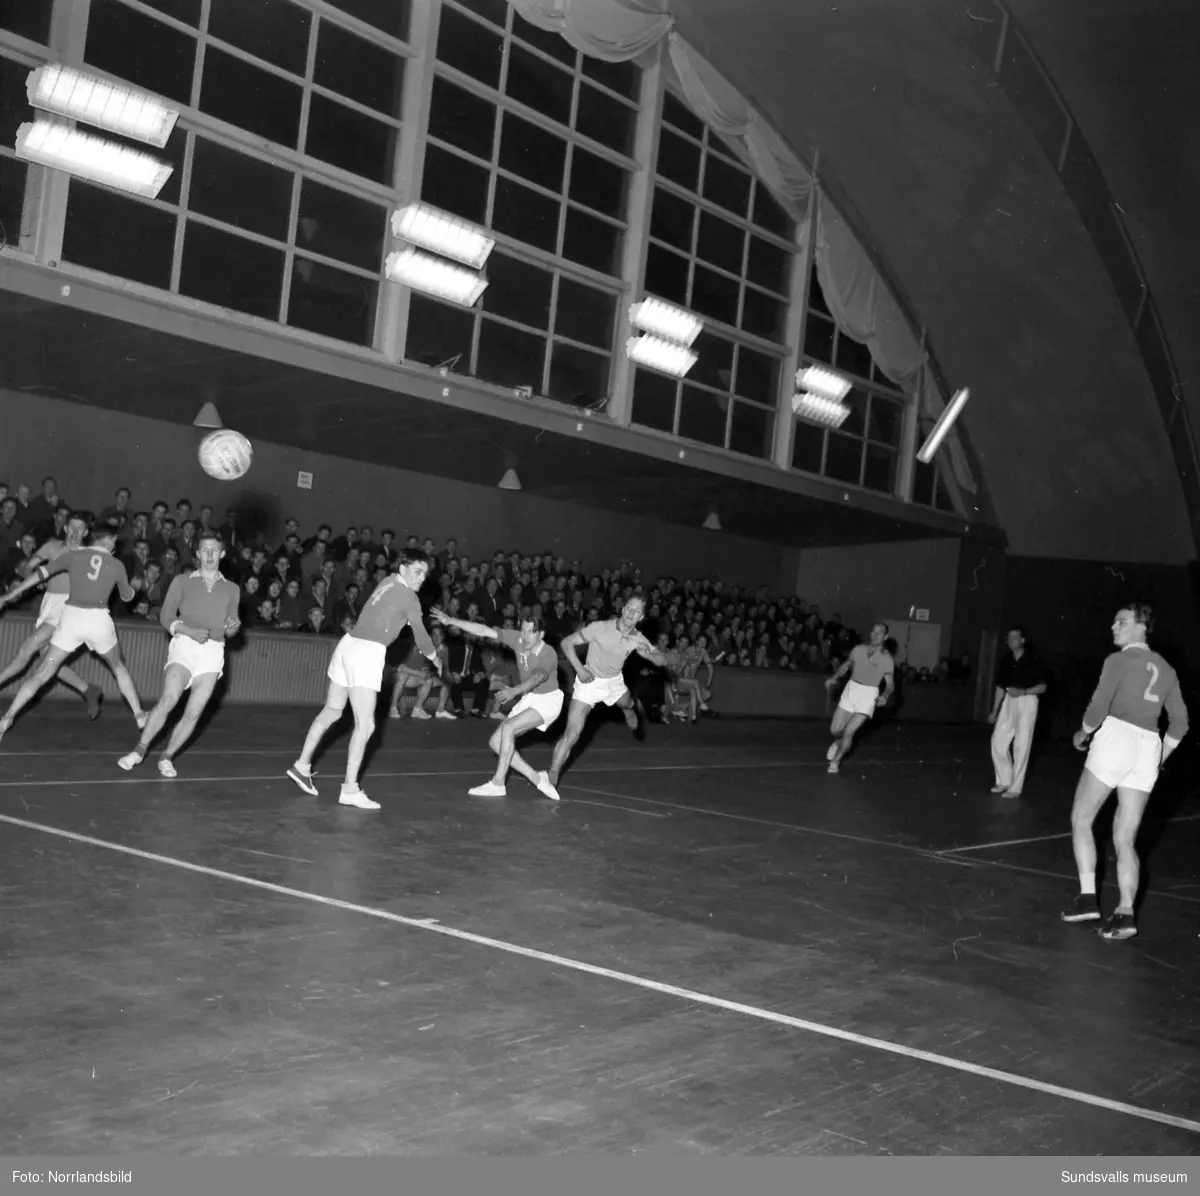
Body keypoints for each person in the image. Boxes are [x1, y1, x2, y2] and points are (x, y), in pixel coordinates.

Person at [1061, 604, 1188, 940]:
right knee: (1125, 837)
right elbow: (1180, 724)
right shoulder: (1168, 669)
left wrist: (1083, 732)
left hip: (1117, 736)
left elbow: (1099, 705)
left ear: (1141, 627)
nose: (1113, 626)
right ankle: (1125, 913)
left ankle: (1087, 899)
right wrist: (1161, 756)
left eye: (1121, 622)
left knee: (1082, 818)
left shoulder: (1117, 661)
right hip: (1148, 746)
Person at [286, 548, 441, 809]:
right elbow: (422, 635)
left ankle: (302, 765)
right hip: (367, 651)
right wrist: (435, 658)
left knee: (333, 710)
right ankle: (349, 788)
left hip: (348, 644)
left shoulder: (387, 581)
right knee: (366, 725)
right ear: (402, 568)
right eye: (417, 571)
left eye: (425, 574)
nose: (421, 578)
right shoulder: (410, 597)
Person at [0, 527, 147, 742]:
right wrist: (135, 589)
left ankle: (7, 717)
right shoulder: (116, 564)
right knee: (117, 666)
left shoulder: (72, 556)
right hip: (98, 621)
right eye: (113, 543)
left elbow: (40, 574)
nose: (114, 547)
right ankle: (140, 715)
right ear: (107, 543)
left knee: (42, 672)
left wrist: (10, 594)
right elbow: (127, 597)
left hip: (71, 619)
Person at [117, 533, 241, 777]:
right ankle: (139, 751)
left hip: (213, 652)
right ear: (197, 554)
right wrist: (189, 631)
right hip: (184, 644)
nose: (208, 555)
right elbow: (166, 617)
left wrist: (233, 627)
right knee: (169, 699)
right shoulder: (182, 581)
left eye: (214, 550)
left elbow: (230, 631)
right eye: (204, 550)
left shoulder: (232, 589)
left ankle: (167, 757)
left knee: (195, 711)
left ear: (222, 554)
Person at [431, 609, 562, 800]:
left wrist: (513, 691)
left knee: (508, 727)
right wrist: (452, 621)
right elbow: (484, 631)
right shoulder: (518, 639)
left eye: (530, 632)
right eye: (523, 631)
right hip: (530, 698)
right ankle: (537, 778)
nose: (524, 636)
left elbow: (536, 679)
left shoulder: (548, 653)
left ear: (541, 634)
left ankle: (498, 783)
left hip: (548, 700)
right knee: (495, 743)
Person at [547, 596, 669, 789]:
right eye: (629, 608)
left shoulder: (639, 639)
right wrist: (579, 669)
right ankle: (552, 775)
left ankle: (629, 709)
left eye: (636, 611)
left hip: (613, 682)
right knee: (572, 734)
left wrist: (652, 656)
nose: (631, 613)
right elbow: (566, 644)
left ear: (641, 617)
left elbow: (662, 660)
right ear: (623, 609)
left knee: (627, 703)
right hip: (589, 682)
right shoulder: (599, 627)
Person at [0, 514, 104, 719]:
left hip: (69, 608)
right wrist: (30, 576)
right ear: (65, 529)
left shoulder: (90, 555)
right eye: (71, 527)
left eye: (79, 528)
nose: (74, 532)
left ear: (85, 532)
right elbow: (27, 568)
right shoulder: (51, 546)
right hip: (49, 604)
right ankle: (88, 689)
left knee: (29, 646)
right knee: (48, 659)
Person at [823, 622, 894, 773]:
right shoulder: (858, 649)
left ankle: (835, 762)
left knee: (849, 731)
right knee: (835, 730)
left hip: (868, 695)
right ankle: (837, 742)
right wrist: (834, 677)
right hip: (851, 689)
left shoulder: (886, 659)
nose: (876, 635)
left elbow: (890, 684)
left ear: (885, 637)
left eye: (880, 633)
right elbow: (846, 665)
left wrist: (885, 696)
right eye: (874, 632)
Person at [988, 626, 1048, 798]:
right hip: (1009, 701)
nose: (1012, 640)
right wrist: (994, 711)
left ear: (1023, 640)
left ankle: (1015, 788)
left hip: (1027, 701)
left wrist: (1023, 692)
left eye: (1015, 637)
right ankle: (1004, 781)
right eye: (1009, 638)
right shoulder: (1005, 660)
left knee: (1021, 745)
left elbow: (1043, 687)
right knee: (998, 741)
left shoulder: (1034, 658)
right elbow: (1000, 687)